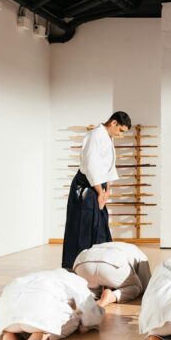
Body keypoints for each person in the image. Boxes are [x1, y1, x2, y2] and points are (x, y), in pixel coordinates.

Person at [62, 111, 132, 269]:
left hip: (99, 186)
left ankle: (99, 267)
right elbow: (92, 166)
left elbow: (109, 167)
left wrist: (107, 192)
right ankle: (77, 267)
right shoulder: (95, 136)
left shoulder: (107, 137)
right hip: (86, 187)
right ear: (113, 123)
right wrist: (100, 192)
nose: (120, 135)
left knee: (100, 226)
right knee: (83, 226)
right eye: (120, 130)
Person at [0, 268, 104, 340]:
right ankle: (39, 337)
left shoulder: (36, 275)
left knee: (20, 311)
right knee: (76, 319)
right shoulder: (74, 279)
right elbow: (89, 310)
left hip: (5, 320)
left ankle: (9, 333)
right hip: (36, 319)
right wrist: (92, 321)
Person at [72, 241, 152, 307]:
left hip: (83, 261)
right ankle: (111, 296)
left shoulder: (103, 245)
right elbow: (147, 285)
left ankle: (86, 294)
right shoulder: (138, 252)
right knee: (137, 287)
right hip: (113, 263)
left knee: (90, 288)